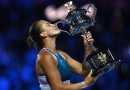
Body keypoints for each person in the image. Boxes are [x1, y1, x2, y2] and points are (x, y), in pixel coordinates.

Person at [27, 20, 102, 90]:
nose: (54, 24)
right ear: (43, 34)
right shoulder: (45, 56)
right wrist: (85, 83)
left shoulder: (61, 54)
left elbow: (84, 71)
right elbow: (58, 88)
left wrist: (87, 47)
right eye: (49, 25)